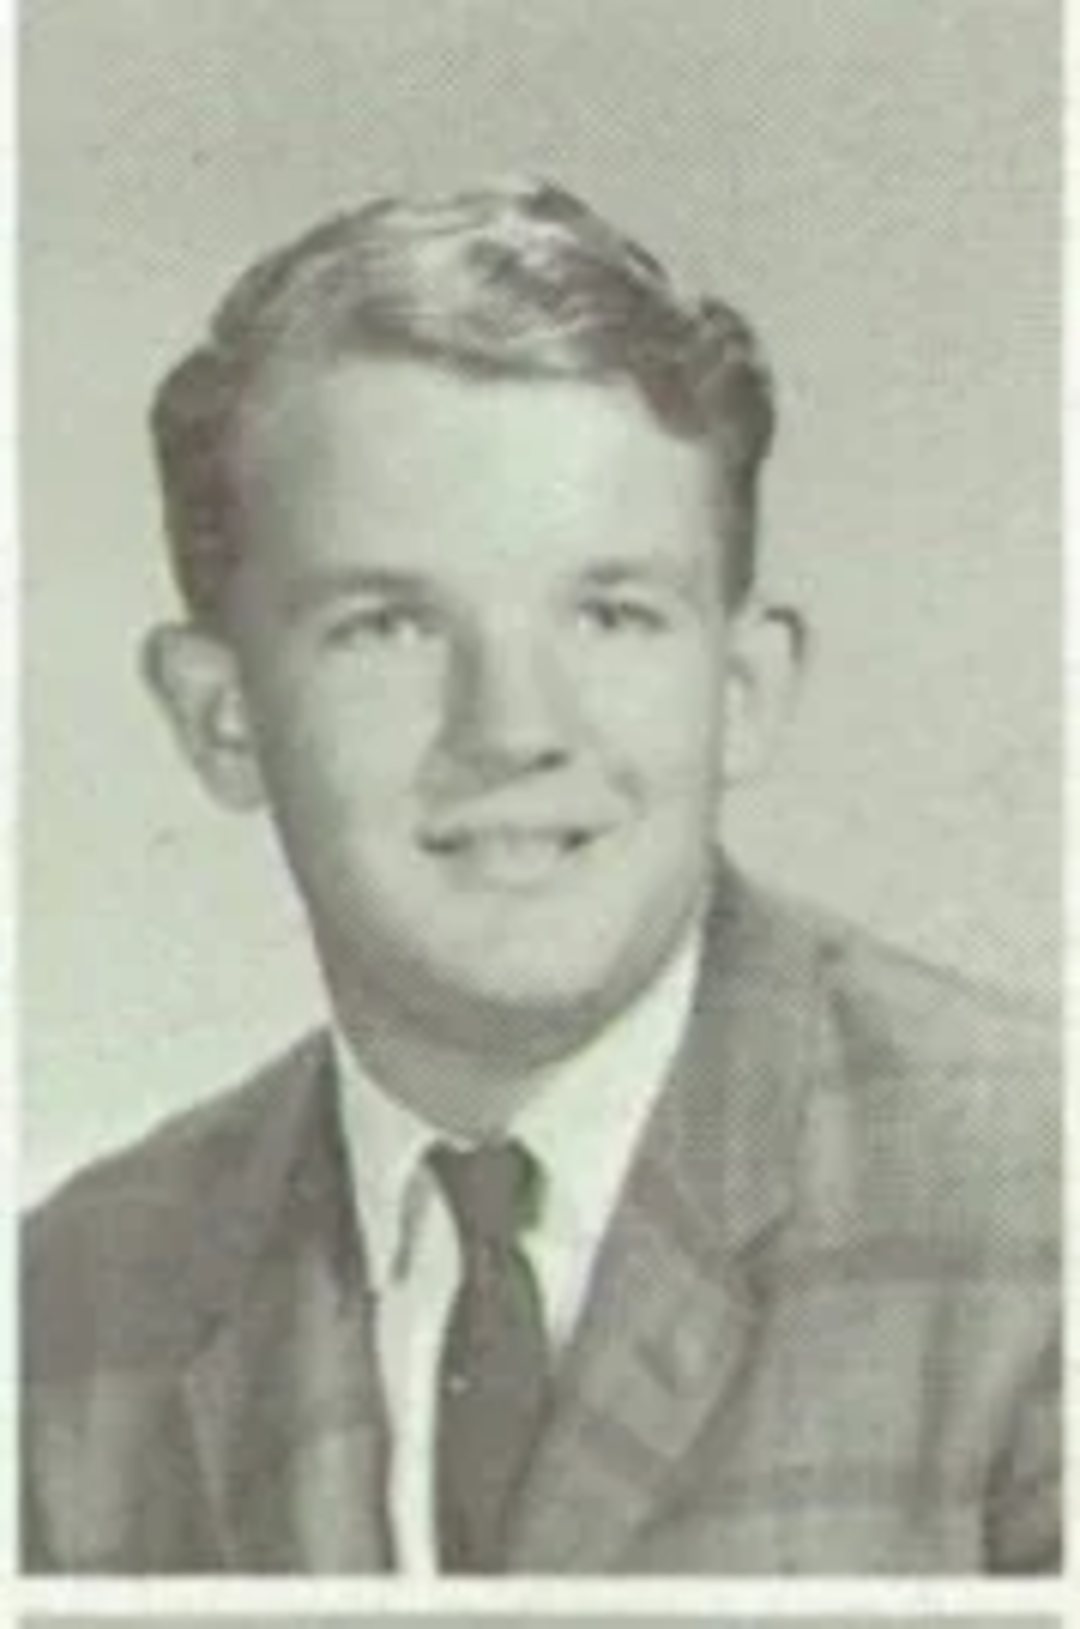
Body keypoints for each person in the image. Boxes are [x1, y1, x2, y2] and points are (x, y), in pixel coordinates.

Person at [23, 179, 1058, 1575]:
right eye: (386, 624)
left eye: (612, 614)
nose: (513, 728)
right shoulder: (70, 1309)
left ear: (741, 690)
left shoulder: (1036, 1208)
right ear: (221, 716)